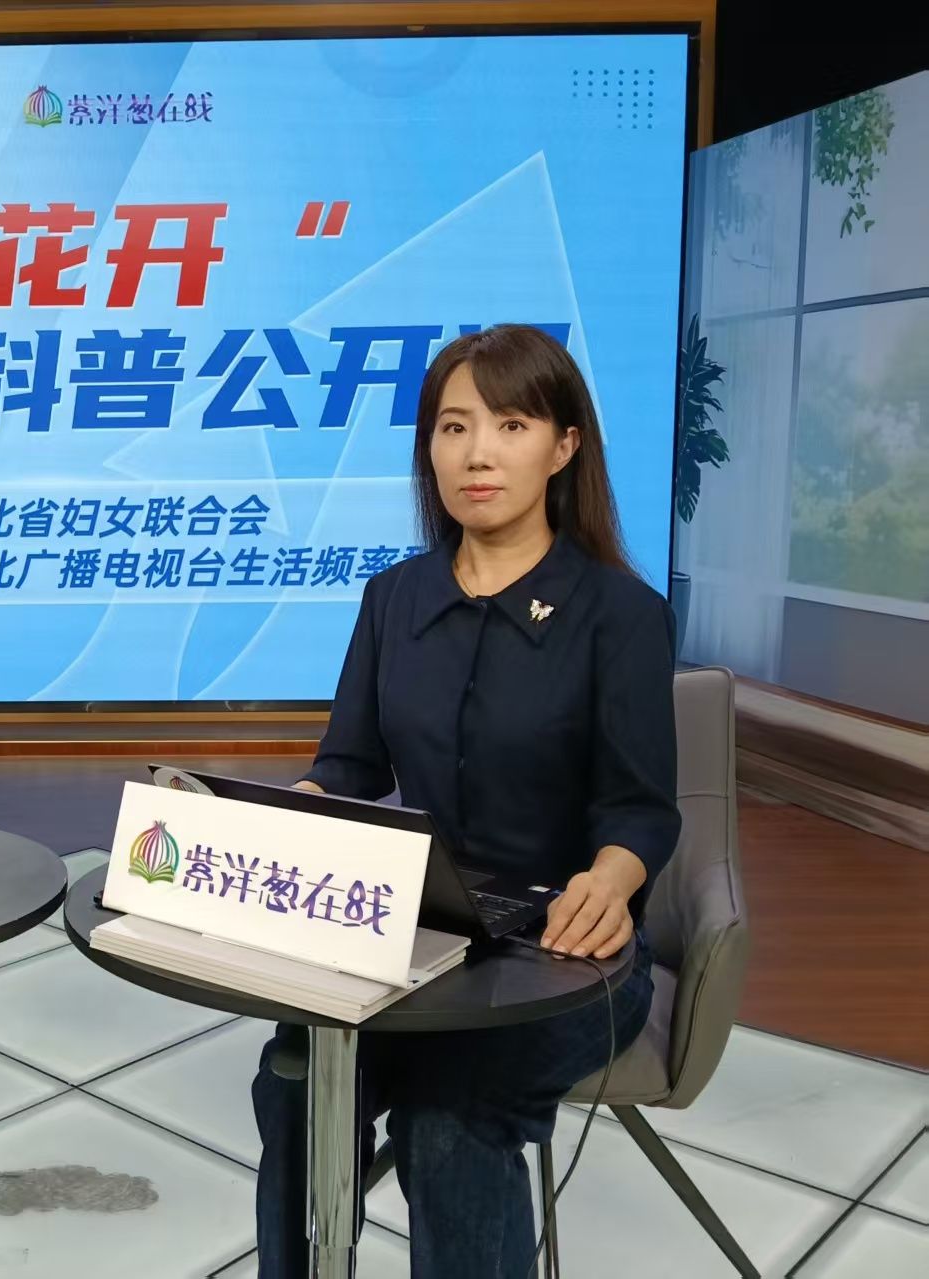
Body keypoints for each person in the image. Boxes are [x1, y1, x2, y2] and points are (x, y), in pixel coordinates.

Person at [252, 324, 679, 1277]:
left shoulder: (621, 615)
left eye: (511, 424)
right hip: (414, 932)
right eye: (453, 427)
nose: (477, 453)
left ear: (564, 446)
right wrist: (293, 809)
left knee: (448, 1118)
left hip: (566, 953)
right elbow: (349, 765)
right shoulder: (392, 599)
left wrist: (612, 880)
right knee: (295, 1084)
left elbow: (642, 810)